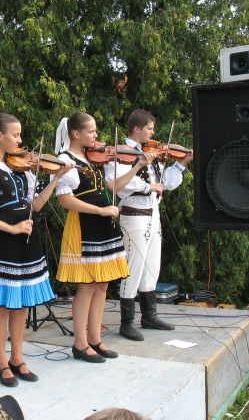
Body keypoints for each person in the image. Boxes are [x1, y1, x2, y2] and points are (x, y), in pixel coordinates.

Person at [0, 114, 73, 387]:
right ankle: (2, 362)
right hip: (4, 237)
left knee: (21, 302)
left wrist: (56, 177)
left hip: (27, 235)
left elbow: (35, 205)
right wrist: (9, 228)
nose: (20, 140)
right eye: (15, 135)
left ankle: (17, 358)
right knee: (2, 304)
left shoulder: (21, 168)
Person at [54, 113, 157, 363]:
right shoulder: (65, 161)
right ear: (76, 133)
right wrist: (100, 211)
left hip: (103, 221)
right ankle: (80, 344)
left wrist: (137, 166)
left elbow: (112, 188)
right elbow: (65, 200)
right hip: (85, 223)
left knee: (102, 283)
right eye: (91, 131)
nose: (96, 136)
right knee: (87, 285)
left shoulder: (92, 158)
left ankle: (95, 339)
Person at [105, 109, 193, 341]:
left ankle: (149, 316)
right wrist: (147, 187)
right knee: (133, 267)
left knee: (152, 266)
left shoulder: (151, 152)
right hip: (134, 214)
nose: (153, 133)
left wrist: (181, 164)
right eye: (150, 129)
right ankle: (126, 322)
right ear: (137, 129)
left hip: (153, 214)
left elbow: (165, 184)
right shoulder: (120, 153)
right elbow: (118, 186)